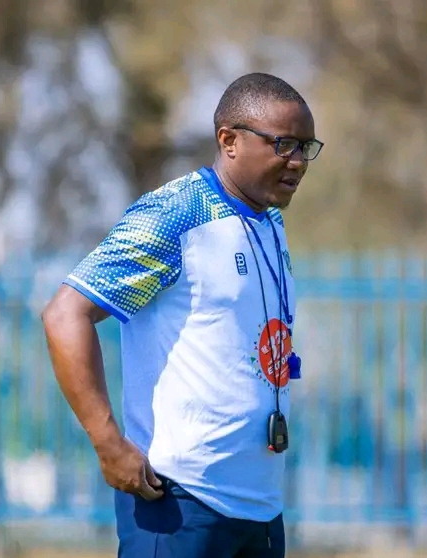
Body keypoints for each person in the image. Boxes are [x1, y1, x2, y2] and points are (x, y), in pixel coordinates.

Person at [41, 72, 324, 558]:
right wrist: (108, 444)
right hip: (179, 502)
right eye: (283, 144)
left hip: (260, 507)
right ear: (229, 141)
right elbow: (65, 315)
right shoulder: (175, 215)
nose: (297, 161)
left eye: (305, 147)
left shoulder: (270, 222)